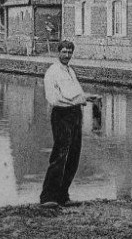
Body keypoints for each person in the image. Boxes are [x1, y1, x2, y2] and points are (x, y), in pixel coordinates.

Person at [40, 41, 96, 208]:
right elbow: (54, 99)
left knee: (73, 156)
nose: (67, 55)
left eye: (69, 52)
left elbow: (75, 93)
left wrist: (86, 97)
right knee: (60, 155)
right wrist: (80, 99)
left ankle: (63, 195)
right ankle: (48, 197)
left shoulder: (70, 71)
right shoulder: (53, 72)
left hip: (75, 114)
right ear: (58, 53)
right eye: (64, 52)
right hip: (62, 115)